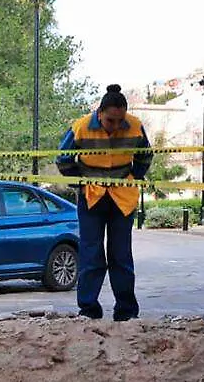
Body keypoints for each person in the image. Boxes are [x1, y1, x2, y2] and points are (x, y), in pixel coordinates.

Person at [56, 84, 152, 322]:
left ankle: (126, 311)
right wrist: (79, 183)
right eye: (111, 120)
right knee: (91, 254)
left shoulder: (135, 126)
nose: (116, 125)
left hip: (123, 198)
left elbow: (145, 155)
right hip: (92, 197)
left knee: (121, 255)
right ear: (100, 113)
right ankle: (88, 309)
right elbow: (62, 157)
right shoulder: (80, 127)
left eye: (120, 120)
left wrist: (134, 177)